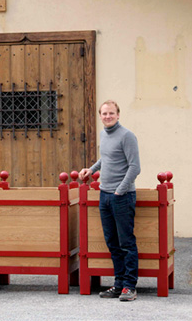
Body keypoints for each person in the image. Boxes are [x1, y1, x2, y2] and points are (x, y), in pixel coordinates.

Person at [79, 100, 140, 302]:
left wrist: (119, 191)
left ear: (118, 114)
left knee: (126, 243)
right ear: (100, 116)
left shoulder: (127, 136)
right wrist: (92, 169)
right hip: (104, 195)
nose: (107, 116)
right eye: (104, 113)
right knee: (112, 243)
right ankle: (119, 284)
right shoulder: (104, 134)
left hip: (121, 196)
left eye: (111, 113)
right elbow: (106, 158)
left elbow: (134, 167)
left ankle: (130, 286)